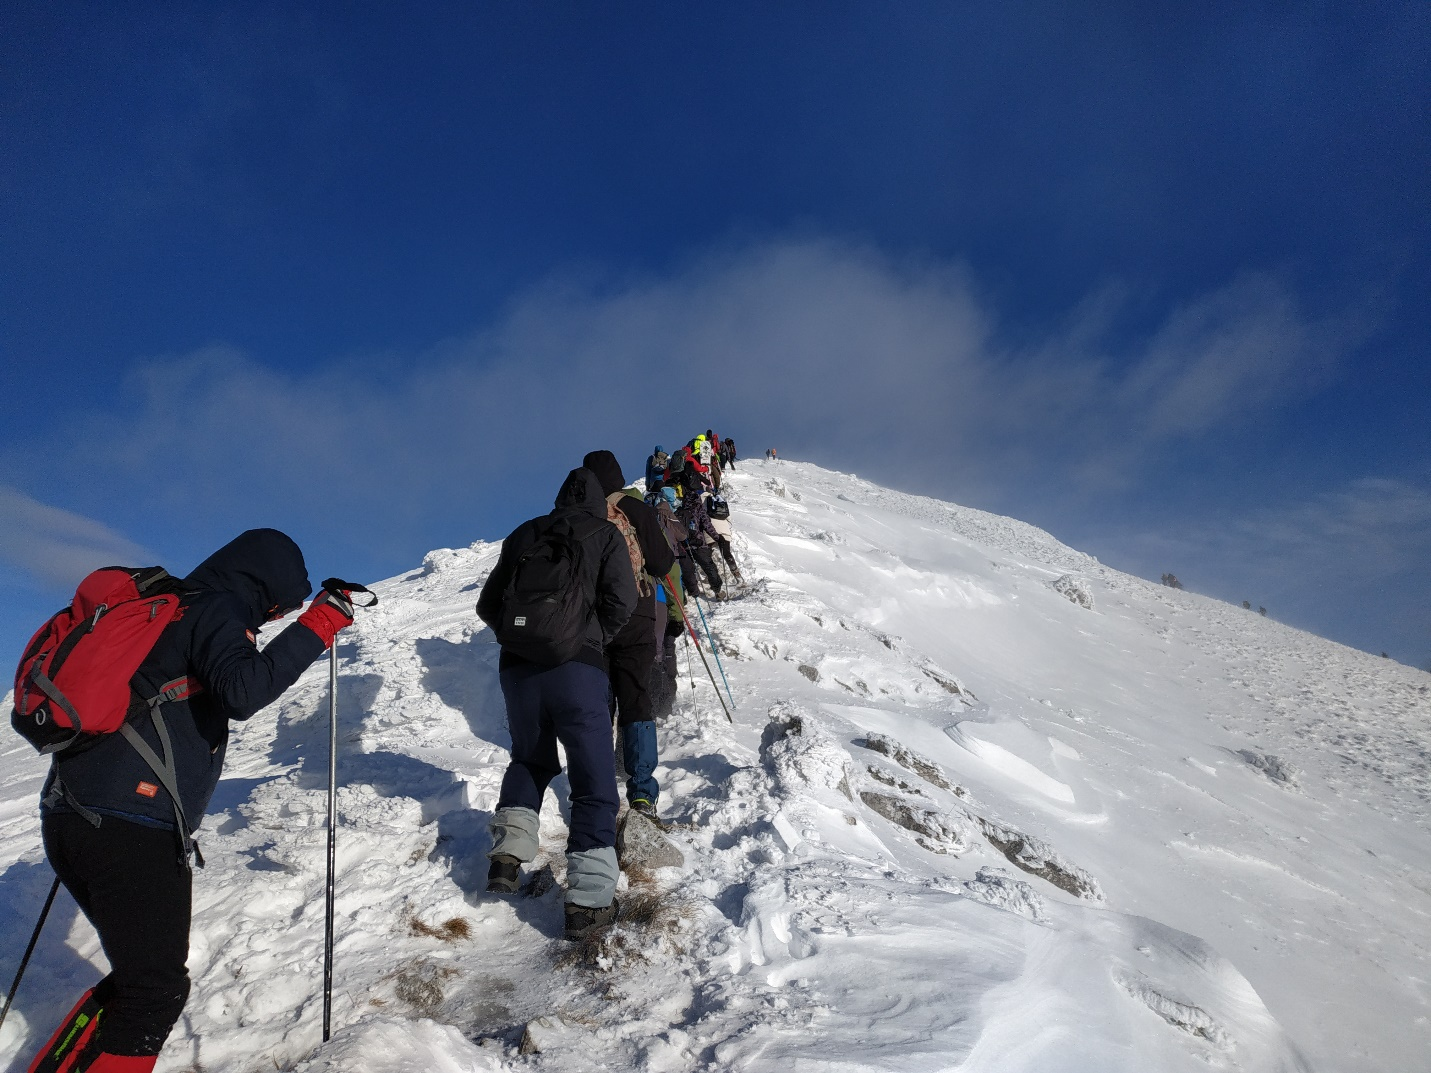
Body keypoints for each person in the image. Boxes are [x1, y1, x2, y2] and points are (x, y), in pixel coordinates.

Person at [32, 529, 355, 1073]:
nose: (277, 616)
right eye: (281, 604)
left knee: (142, 970)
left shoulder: (156, 613)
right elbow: (243, 691)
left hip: (69, 816)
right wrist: (318, 624)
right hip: (130, 825)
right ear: (266, 584)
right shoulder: (216, 609)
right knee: (155, 990)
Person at [476, 466, 637, 940]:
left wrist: (524, 641)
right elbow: (622, 600)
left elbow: (489, 604)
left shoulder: (525, 533)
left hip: (518, 671)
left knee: (530, 757)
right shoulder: (604, 534)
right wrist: (589, 640)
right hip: (579, 672)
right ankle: (586, 904)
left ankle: (506, 861)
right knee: (592, 780)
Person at [579, 451, 675, 819]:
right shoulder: (635, 508)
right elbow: (664, 563)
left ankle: (597, 788)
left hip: (591, 622)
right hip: (635, 614)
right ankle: (641, 793)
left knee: (598, 704)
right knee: (636, 698)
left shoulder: (580, 512)